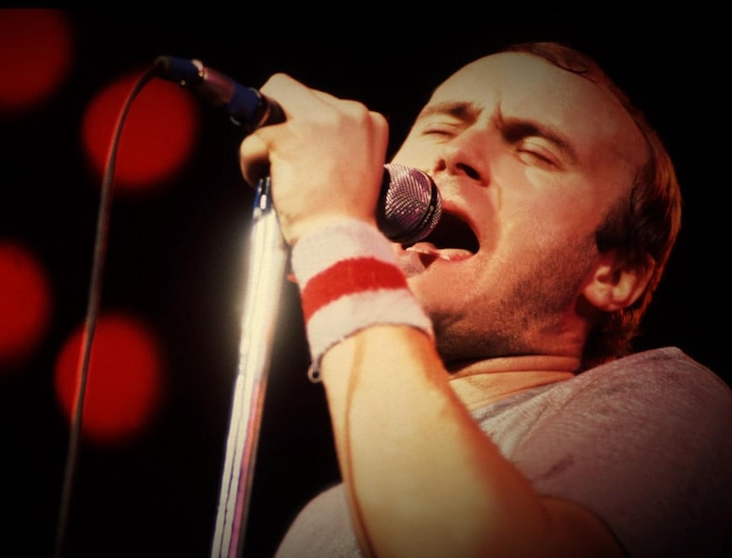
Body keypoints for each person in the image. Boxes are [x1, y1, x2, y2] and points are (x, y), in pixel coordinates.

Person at [237, 41, 732, 557]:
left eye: (535, 151)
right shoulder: (319, 524)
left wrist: (334, 230)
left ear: (615, 273)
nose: (459, 153)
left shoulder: (678, 404)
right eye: (441, 128)